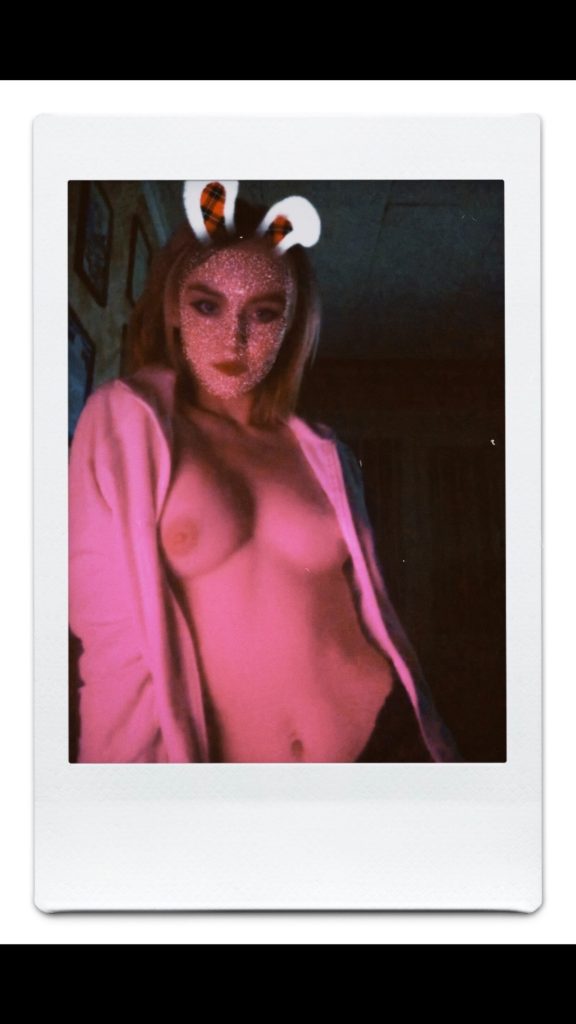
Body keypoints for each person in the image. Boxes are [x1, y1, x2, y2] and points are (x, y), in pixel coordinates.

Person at [68, 180, 463, 764]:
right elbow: (110, 649)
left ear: (291, 325)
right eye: (207, 305)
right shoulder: (125, 425)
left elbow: (367, 609)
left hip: (390, 740)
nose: (234, 337)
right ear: (173, 308)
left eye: (264, 312)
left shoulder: (324, 453)